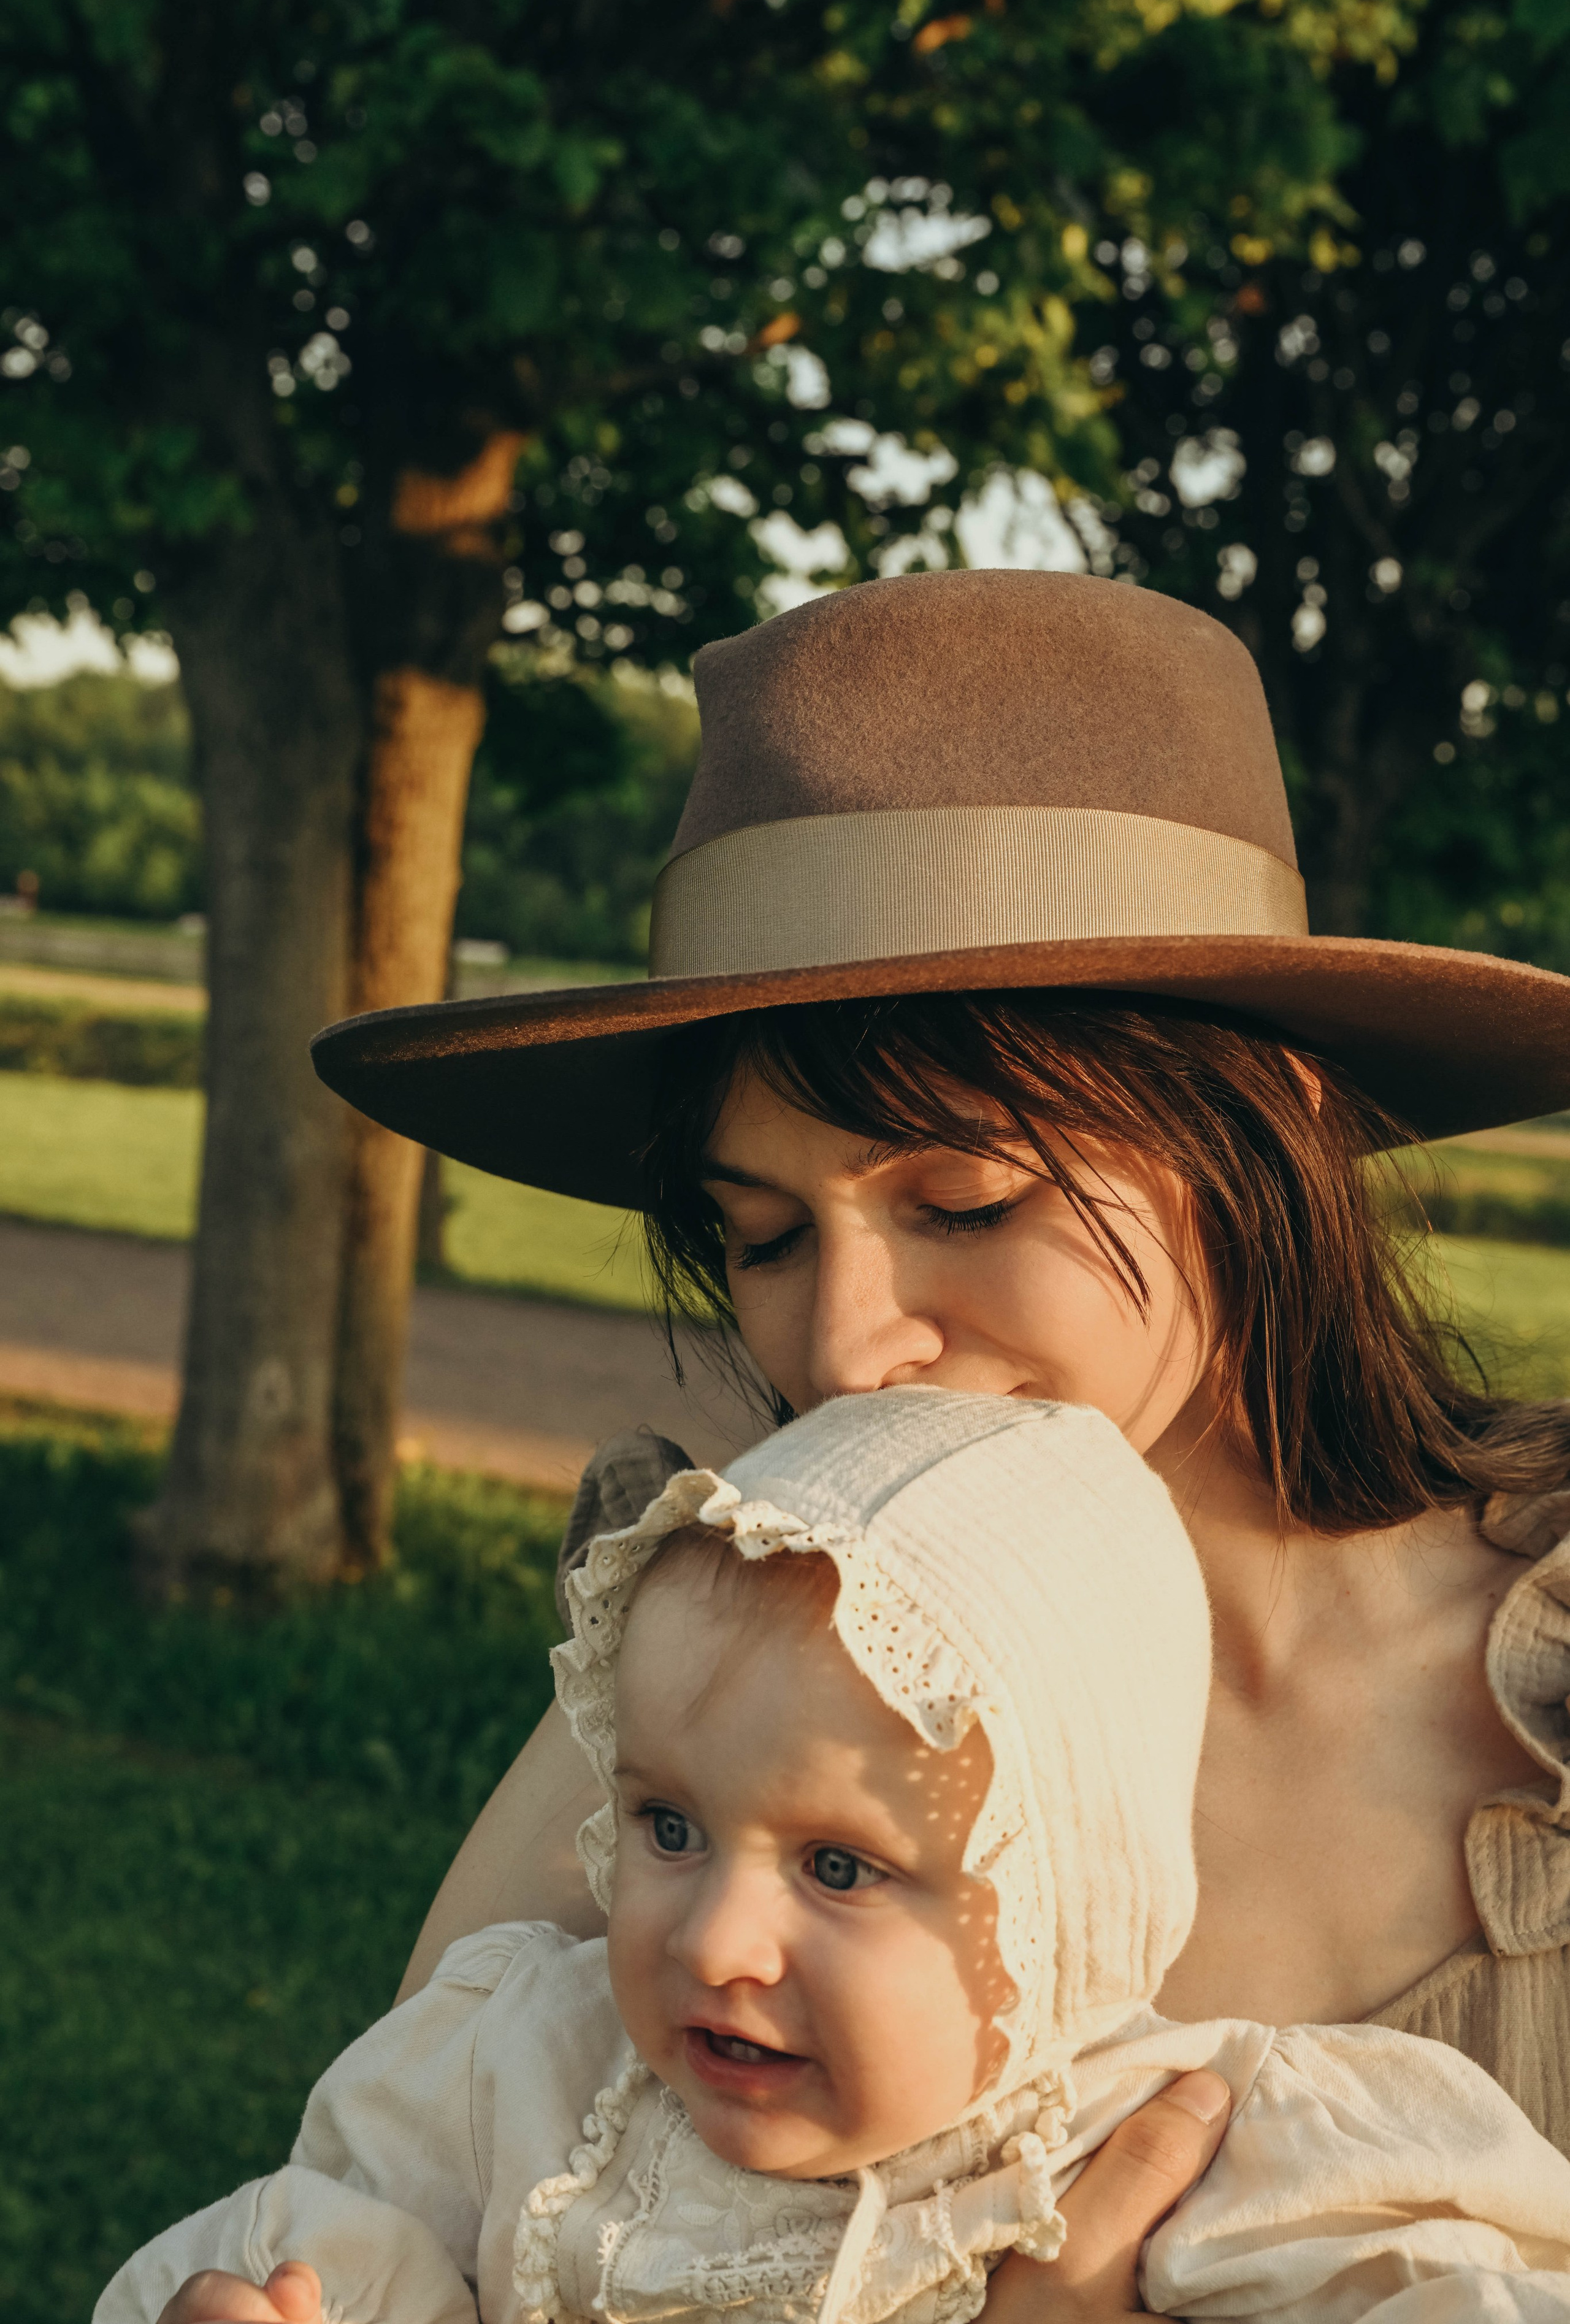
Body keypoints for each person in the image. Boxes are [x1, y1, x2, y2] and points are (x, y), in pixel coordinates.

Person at [304, 569, 1570, 2323]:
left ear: (1256, 1133)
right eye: (762, 1235)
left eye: (964, 1201)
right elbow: (400, 2225)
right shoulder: (720, 1670)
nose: (840, 1347)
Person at [99, 1392, 1570, 2324]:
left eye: (840, 1870)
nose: (714, 1940)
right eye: (668, 1826)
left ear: (1057, 1903)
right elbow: (327, 2240)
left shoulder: (1176, 2148)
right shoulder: (526, 2069)